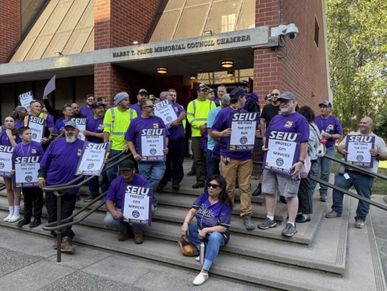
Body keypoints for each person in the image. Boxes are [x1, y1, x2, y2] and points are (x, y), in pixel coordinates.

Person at [258, 91, 309, 237]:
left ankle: (291, 223)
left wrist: (300, 161)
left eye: (287, 101)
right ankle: (270, 218)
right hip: (271, 162)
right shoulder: (275, 118)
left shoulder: (300, 120)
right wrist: (265, 146)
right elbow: (268, 136)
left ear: (294, 102)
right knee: (269, 190)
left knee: (290, 194)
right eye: (281, 101)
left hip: (290, 164)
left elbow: (304, 143)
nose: (283, 104)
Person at [326, 117, 387, 228]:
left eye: (365, 123)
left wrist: (377, 154)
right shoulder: (351, 136)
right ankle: (336, 210)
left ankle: (360, 218)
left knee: (364, 197)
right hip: (348, 170)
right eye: (361, 122)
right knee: (338, 187)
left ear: (371, 125)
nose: (362, 124)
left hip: (366, 174)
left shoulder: (377, 140)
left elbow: (385, 155)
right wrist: (342, 151)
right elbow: (340, 146)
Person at [211, 88, 258, 231]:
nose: (246, 100)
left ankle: (246, 214)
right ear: (240, 98)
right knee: (228, 187)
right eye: (244, 98)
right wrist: (221, 133)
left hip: (245, 157)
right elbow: (212, 132)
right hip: (228, 156)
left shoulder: (245, 114)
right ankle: (226, 213)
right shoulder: (223, 113)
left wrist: (253, 132)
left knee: (245, 186)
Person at [38, 120, 84, 253]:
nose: (70, 131)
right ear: (64, 131)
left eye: (72, 129)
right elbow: (44, 162)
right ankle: (59, 234)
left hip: (70, 186)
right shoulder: (55, 143)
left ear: (77, 131)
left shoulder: (84, 145)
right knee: (52, 212)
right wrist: (41, 176)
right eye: (67, 129)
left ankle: (66, 238)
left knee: (66, 213)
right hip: (52, 184)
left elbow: (92, 162)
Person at [181, 175, 232, 286]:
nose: (211, 188)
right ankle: (204, 249)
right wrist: (185, 223)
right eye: (209, 185)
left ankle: (204, 271)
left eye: (214, 186)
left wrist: (207, 230)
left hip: (218, 234)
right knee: (188, 228)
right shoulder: (204, 196)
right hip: (201, 230)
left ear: (221, 188)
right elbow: (192, 211)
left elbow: (223, 227)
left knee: (214, 237)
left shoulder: (225, 204)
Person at [126, 99, 168, 206]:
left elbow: (165, 136)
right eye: (151, 106)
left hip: (159, 158)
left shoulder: (158, 120)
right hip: (143, 159)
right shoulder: (135, 122)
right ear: (144, 108)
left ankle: (142, 196)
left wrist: (166, 147)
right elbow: (129, 139)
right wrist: (134, 153)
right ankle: (151, 202)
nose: (153, 108)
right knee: (144, 180)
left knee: (157, 177)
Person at [104, 159, 152, 244]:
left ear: (134, 170)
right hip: (120, 209)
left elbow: (147, 198)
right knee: (108, 219)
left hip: (136, 208)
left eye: (127, 170)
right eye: (123, 170)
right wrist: (113, 211)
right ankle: (123, 229)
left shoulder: (142, 181)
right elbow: (109, 200)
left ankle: (138, 231)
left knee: (150, 208)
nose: (125, 173)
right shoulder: (116, 182)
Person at [102, 92, 137, 192]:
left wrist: (129, 144)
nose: (128, 102)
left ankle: (120, 192)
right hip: (112, 148)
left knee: (123, 173)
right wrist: (106, 145)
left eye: (128, 99)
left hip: (125, 149)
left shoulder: (132, 112)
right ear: (119, 102)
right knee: (110, 172)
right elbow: (106, 130)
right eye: (125, 100)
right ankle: (114, 190)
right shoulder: (110, 112)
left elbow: (134, 131)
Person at [13, 127, 45, 228]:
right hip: (24, 178)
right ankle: (26, 218)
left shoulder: (37, 145)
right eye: (27, 134)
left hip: (36, 177)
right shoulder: (17, 147)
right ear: (21, 136)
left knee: (37, 199)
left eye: (30, 133)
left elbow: (43, 161)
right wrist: (14, 170)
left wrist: (42, 176)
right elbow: (14, 161)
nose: (30, 135)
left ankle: (37, 219)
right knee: (27, 199)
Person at [187, 83, 216, 188]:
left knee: (208, 158)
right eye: (203, 90)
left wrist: (206, 126)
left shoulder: (211, 103)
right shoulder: (192, 103)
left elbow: (214, 117)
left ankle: (209, 180)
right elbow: (190, 118)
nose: (205, 92)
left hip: (209, 135)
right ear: (198, 92)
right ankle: (200, 180)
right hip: (196, 135)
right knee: (198, 158)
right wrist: (199, 125)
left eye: (206, 90)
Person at [296, 106, 322, 223]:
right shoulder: (314, 126)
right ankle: (301, 211)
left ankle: (306, 214)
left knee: (304, 188)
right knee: (303, 188)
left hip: (308, 161)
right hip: (312, 160)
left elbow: (308, 143)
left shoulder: (307, 126)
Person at [254, 89, 281, 197]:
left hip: (281, 141)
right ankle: (260, 186)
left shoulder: (283, 107)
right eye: (272, 94)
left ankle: (281, 193)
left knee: (280, 165)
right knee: (264, 163)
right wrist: (264, 135)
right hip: (269, 140)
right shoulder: (266, 108)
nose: (274, 96)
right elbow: (262, 121)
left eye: (276, 94)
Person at [314, 100, 343, 202]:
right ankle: (310, 191)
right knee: (314, 170)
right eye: (321, 106)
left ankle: (323, 193)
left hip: (329, 148)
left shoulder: (334, 120)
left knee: (325, 172)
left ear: (330, 109)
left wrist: (330, 136)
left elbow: (340, 134)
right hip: (316, 147)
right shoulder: (315, 119)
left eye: (325, 107)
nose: (322, 108)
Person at [158, 91, 186, 191]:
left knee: (178, 162)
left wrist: (177, 121)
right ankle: (163, 181)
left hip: (178, 139)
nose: (168, 97)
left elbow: (183, 114)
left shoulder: (177, 106)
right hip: (165, 141)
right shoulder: (157, 109)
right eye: (163, 97)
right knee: (165, 162)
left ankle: (176, 181)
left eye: (167, 95)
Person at [84, 101, 106, 201]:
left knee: (104, 172)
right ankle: (94, 194)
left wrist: (90, 133)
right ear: (93, 110)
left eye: (102, 108)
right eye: (99, 108)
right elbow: (82, 134)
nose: (101, 110)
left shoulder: (106, 119)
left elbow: (104, 135)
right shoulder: (87, 120)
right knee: (90, 172)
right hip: (90, 149)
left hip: (102, 149)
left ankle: (105, 194)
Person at [0, 116, 21, 222]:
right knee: (8, 188)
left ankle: (17, 213)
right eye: (6, 121)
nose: (9, 123)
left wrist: (10, 136)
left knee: (16, 189)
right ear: (4, 123)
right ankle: (11, 212)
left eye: (11, 121)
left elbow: (18, 149)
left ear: (15, 123)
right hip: (5, 165)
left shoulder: (18, 134)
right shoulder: (2, 134)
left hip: (16, 165)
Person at [206, 94, 231, 178]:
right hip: (213, 147)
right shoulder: (213, 112)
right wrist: (224, 140)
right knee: (212, 174)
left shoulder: (233, 112)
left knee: (225, 175)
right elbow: (210, 132)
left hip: (226, 148)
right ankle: (209, 190)